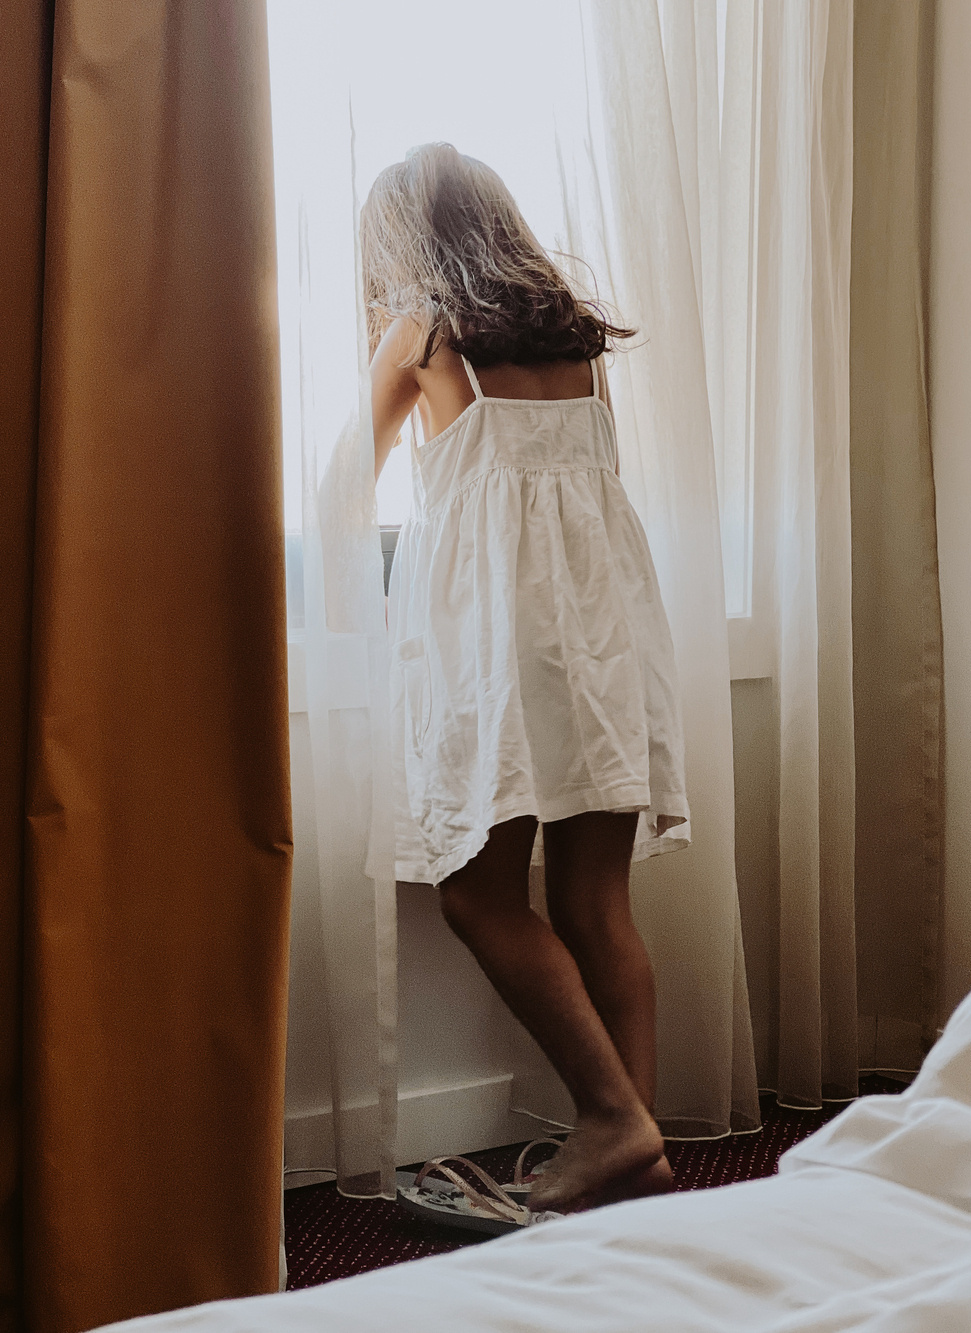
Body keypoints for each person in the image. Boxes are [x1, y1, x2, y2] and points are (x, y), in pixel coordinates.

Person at [362, 143, 689, 1213]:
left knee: (477, 891)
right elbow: (589, 493)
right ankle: (632, 1155)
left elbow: (344, 484)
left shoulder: (422, 334)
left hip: (500, 645)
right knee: (596, 898)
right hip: (600, 635)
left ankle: (610, 1122)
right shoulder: (578, 346)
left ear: (411, 238)